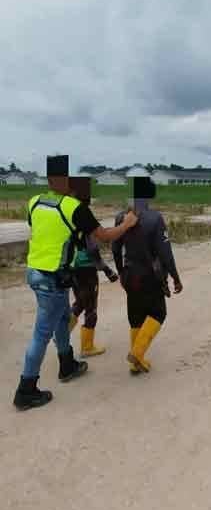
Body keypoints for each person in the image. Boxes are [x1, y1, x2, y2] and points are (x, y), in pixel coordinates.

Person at [13, 155, 137, 411]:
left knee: (61, 318)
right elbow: (104, 236)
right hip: (52, 277)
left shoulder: (34, 202)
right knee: (41, 333)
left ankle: (67, 363)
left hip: (35, 272)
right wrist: (127, 224)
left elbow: (41, 230)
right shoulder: (74, 207)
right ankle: (26, 389)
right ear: (67, 180)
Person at [112, 177, 183, 374]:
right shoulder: (155, 218)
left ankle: (137, 363)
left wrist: (121, 272)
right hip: (150, 276)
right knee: (159, 313)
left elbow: (116, 249)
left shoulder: (120, 218)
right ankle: (137, 353)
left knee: (136, 317)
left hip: (129, 275)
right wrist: (176, 277)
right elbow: (165, 253)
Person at [67, 176, 119, 358]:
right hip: (86, 268)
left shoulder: (67, 212)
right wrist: (107, 270)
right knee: (91, 308)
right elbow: (93, 248)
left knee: (79, 302)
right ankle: (87, 346)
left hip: (72, 266)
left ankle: (62, 335)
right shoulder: (83, 213)